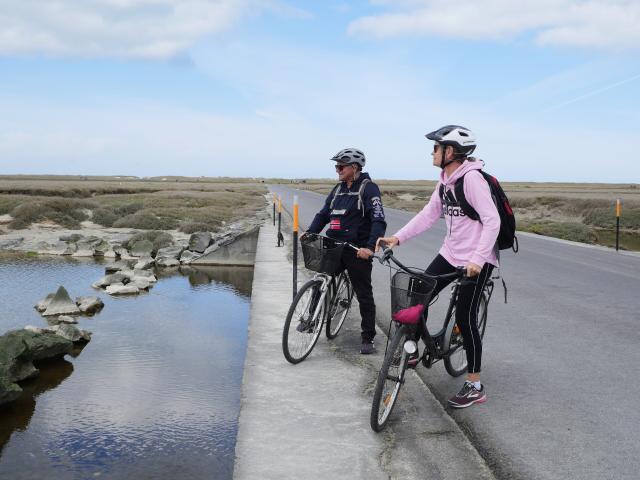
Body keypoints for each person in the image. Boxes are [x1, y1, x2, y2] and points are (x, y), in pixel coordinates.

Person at [376, 125, 500, 408]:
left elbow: (493, 221)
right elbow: (427, 215)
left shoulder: (471, 180)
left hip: (476, 259)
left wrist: (478, 260)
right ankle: (414, 348)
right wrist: (397, 237)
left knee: (465, 318)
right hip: (451, 252)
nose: (432, 152)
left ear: (451, 152)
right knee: (419, 293)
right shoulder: (445, 181)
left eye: (436, 147)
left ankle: (474, 385)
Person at [305, 148, 386, 354]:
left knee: (364, 294)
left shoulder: (369, 189)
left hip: (356, 249)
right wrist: (310, 232)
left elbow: (378, 220)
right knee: (320, 280)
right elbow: (324, 214)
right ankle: (311, 319)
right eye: (337, 166)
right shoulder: (338, 189)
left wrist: (369, 247)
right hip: (334, 246)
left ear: (355, 167)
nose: (338, 170)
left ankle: (368, 337)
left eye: (341, 166)